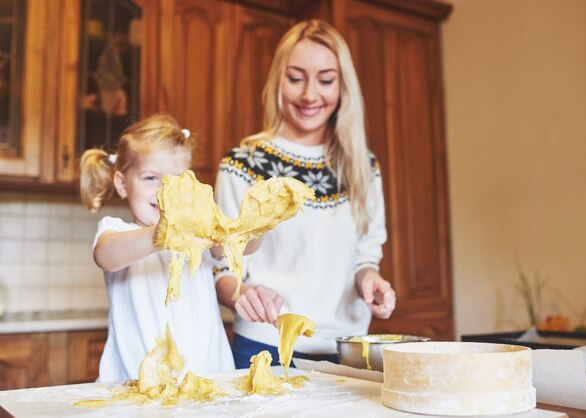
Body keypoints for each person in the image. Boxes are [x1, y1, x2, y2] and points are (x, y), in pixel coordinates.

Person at [214, 20, 396, 369]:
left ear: (344, 87)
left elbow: (364, 257)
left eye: (325, 80)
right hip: (264, 346)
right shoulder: (245, 163)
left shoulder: (362, 166)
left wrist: (370, 279)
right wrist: (243, 296)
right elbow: (222, 268)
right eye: (295, 78)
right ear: (277, 81)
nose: (310, 95)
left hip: (350, 349)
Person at [79, 114, 236, 382]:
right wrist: (161, 233)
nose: (165, 190)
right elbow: (105, 255)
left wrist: (236, 228)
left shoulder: (199, 237)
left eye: (177, 179)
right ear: (122, 184)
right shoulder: (117, 230)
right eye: (151, 178)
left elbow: (245, 243)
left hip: (209, 384)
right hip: (135, 389)